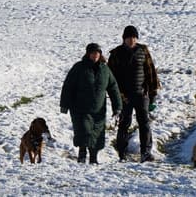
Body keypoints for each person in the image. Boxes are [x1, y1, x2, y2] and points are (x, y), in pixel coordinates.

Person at [60, 43, 122, 164]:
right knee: (84, 131)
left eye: (98, 53)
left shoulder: (105, 69)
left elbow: (113, 87)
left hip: (98, 110)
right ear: (88, 54)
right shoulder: (79, 68)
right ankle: (82, 154)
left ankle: (93, 158)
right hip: (80, 108)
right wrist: (65, 104)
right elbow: (68, 86)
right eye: (93, 53)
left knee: (97, 134)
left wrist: (117, 107)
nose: (95, 55)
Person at [107, 25, 160, 162]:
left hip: (141, 94)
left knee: (144, 123)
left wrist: (153, 93)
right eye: (129, 37)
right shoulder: (116, 54)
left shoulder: (143, 51)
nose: (132, 40)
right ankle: (122, 154)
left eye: (134, 37)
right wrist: (117, 96)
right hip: (124, 96)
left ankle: (146, 152)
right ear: (124, 39)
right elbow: (110, 78)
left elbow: (150, 72)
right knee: (124, 124)